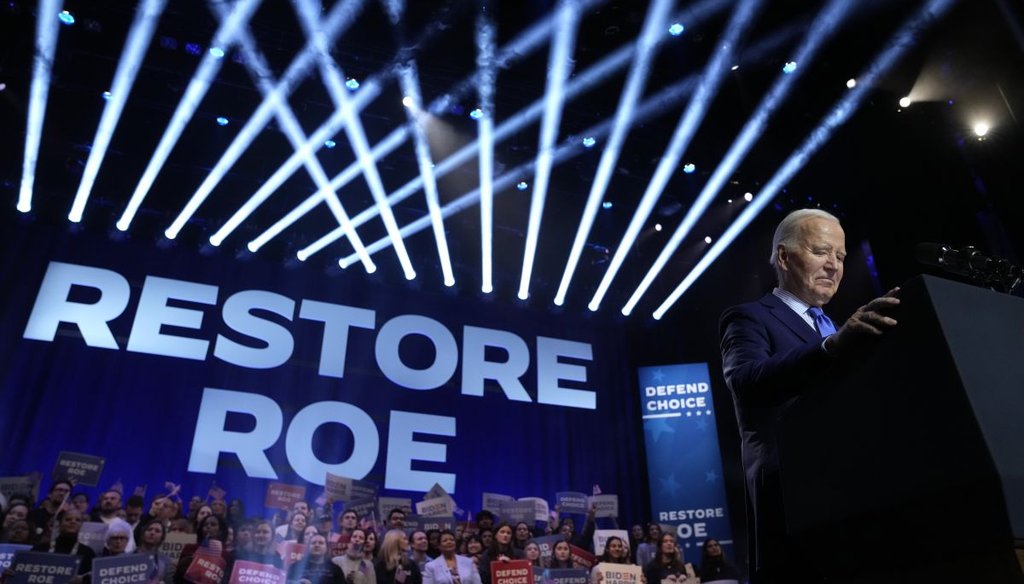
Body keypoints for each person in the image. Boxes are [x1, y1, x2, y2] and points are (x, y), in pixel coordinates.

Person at [719, 208, 900, 583]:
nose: (833, 265)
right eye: (821, 251)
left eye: (841, 256)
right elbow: (746, 380)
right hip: (792, 500)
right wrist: (830, 346)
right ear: (784, 256)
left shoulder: (839, 327)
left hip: (858, 498)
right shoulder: (750, 317)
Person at [31, 509, 95, 576]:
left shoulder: (88, 553)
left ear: (81, 525)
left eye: (78, 520)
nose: (73, 522)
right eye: (68, 519)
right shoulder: (40, 549)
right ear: (59, 524)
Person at [136, 519, 174, 584]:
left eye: (157, 531)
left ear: (162, 537)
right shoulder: (126, 557)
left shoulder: (166, 562)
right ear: (143, 534)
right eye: (149, 530)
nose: (152, 533)